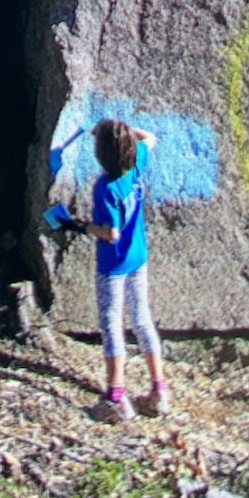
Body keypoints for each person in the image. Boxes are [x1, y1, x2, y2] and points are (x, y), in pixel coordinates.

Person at [84, 119, 170, 423]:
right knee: (142, 317)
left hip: (113, 264)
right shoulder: (136, 166)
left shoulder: (104, 187)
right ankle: (159, 390)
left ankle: (116, 398)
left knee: (112, 325)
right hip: (138, 257)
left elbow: (111, 233)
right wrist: (122, 134)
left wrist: (81, 225)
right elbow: (152, 136)